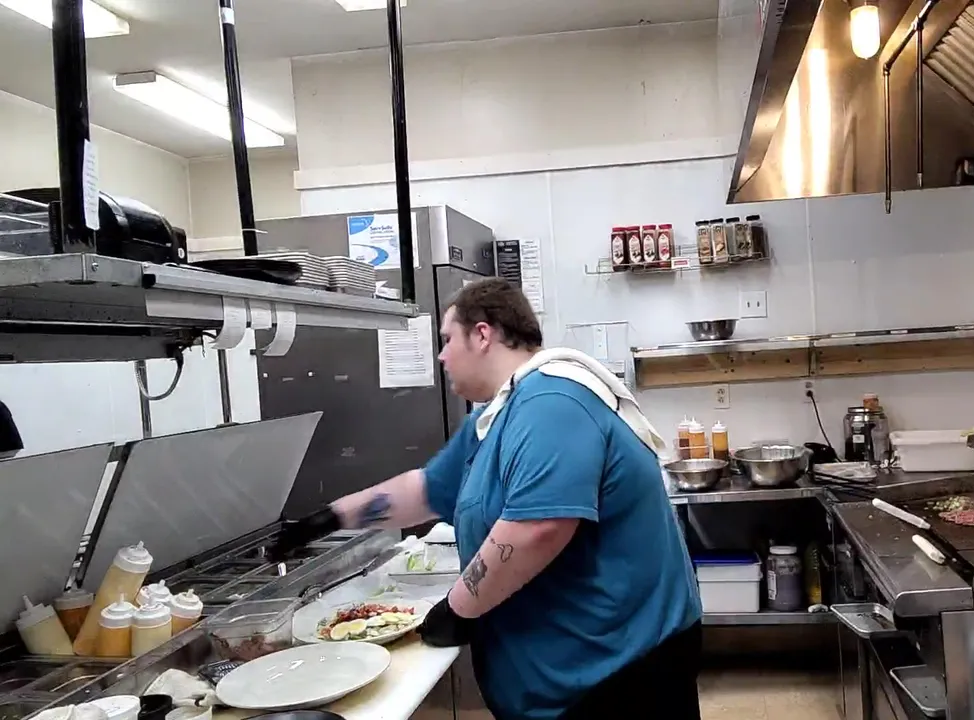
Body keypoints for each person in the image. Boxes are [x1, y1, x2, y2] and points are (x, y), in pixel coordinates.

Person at [273, 278, 702, 720]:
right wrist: (329, 518)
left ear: (482, 334)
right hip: (571, 676)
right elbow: (425, 490)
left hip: (619, 677)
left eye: (447, 340)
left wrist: (459, 608)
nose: (441, 356)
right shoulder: (496, 417)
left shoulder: (552, 399)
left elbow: (539, 527)